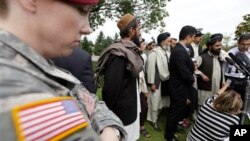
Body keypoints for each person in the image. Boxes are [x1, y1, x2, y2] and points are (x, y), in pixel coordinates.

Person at [0, 0, 126, 141]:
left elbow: (93, 102)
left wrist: (103, 125)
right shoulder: (20, 91)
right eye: (81, 10)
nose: (88, 28)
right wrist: (107, 131)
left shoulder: (40, 67)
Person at [95, 13, 143, 141]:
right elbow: (111, 89)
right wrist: (110, 117)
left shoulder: (130, 50)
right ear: (132, 30)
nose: (140, 32)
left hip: (131, 107)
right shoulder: (118, 54)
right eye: (139, 28)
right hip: (121, 114)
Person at [164, 25, 197, 141]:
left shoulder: (181, 49)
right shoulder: (179, 51)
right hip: (179, 87)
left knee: (178, 112)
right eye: (193, 37)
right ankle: (169, 136)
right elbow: (184, 72)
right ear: (188, 37)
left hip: (180, 86)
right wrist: (192, 79)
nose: (193, 40)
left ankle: (172, 131)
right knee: (175, 112)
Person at [146, 32, 171, 131]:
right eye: (168, 40)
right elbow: (150, 69)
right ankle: (153, 121)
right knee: (155, 102)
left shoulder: (166, 53)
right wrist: (151, 83)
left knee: (162, 102)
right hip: (157, 82)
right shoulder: (154, 52)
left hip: (166, 81)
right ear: (163, 41)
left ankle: (156, 117)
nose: (169, 42)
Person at [196, 33, 225, 107]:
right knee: (202, 104)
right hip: (205, 87)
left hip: (217, 87)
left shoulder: (220, 57)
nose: (219, 47)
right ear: (210, 47)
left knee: (214, 104)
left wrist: (223, 81)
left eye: (220, 45)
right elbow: (193, 68)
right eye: (217, 46)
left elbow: (222, 70)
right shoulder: (202, 57)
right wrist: (201, 74)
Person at [225, 33, 250, 103]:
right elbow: (224, 68)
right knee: (230, 102)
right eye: (243, 44)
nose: (246, 46)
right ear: (238, 43)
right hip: (231, 80)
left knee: (242, 102)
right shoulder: (231, 53)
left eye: (248, 44)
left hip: (245, 80)